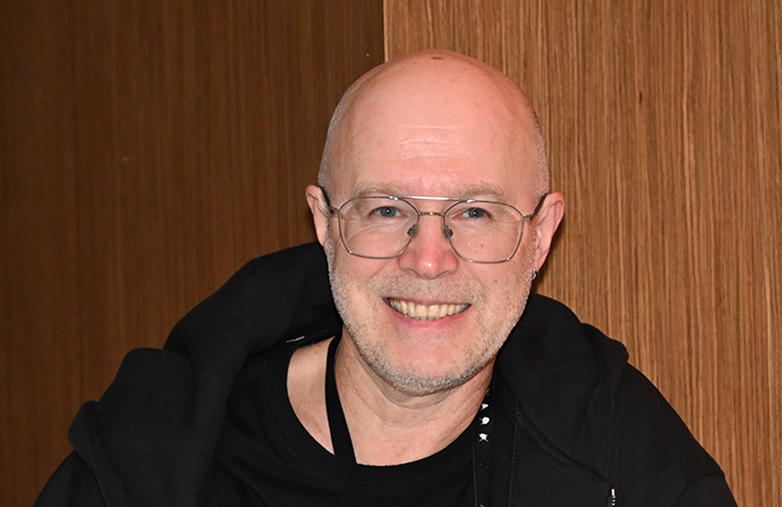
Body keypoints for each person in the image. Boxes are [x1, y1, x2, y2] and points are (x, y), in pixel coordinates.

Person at [36, 50, 738, 506]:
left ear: (541, 234)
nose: (428, 260)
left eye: (474, 212)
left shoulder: (621, 458)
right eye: (386, 209)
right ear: (324, 222)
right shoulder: (155, 457)